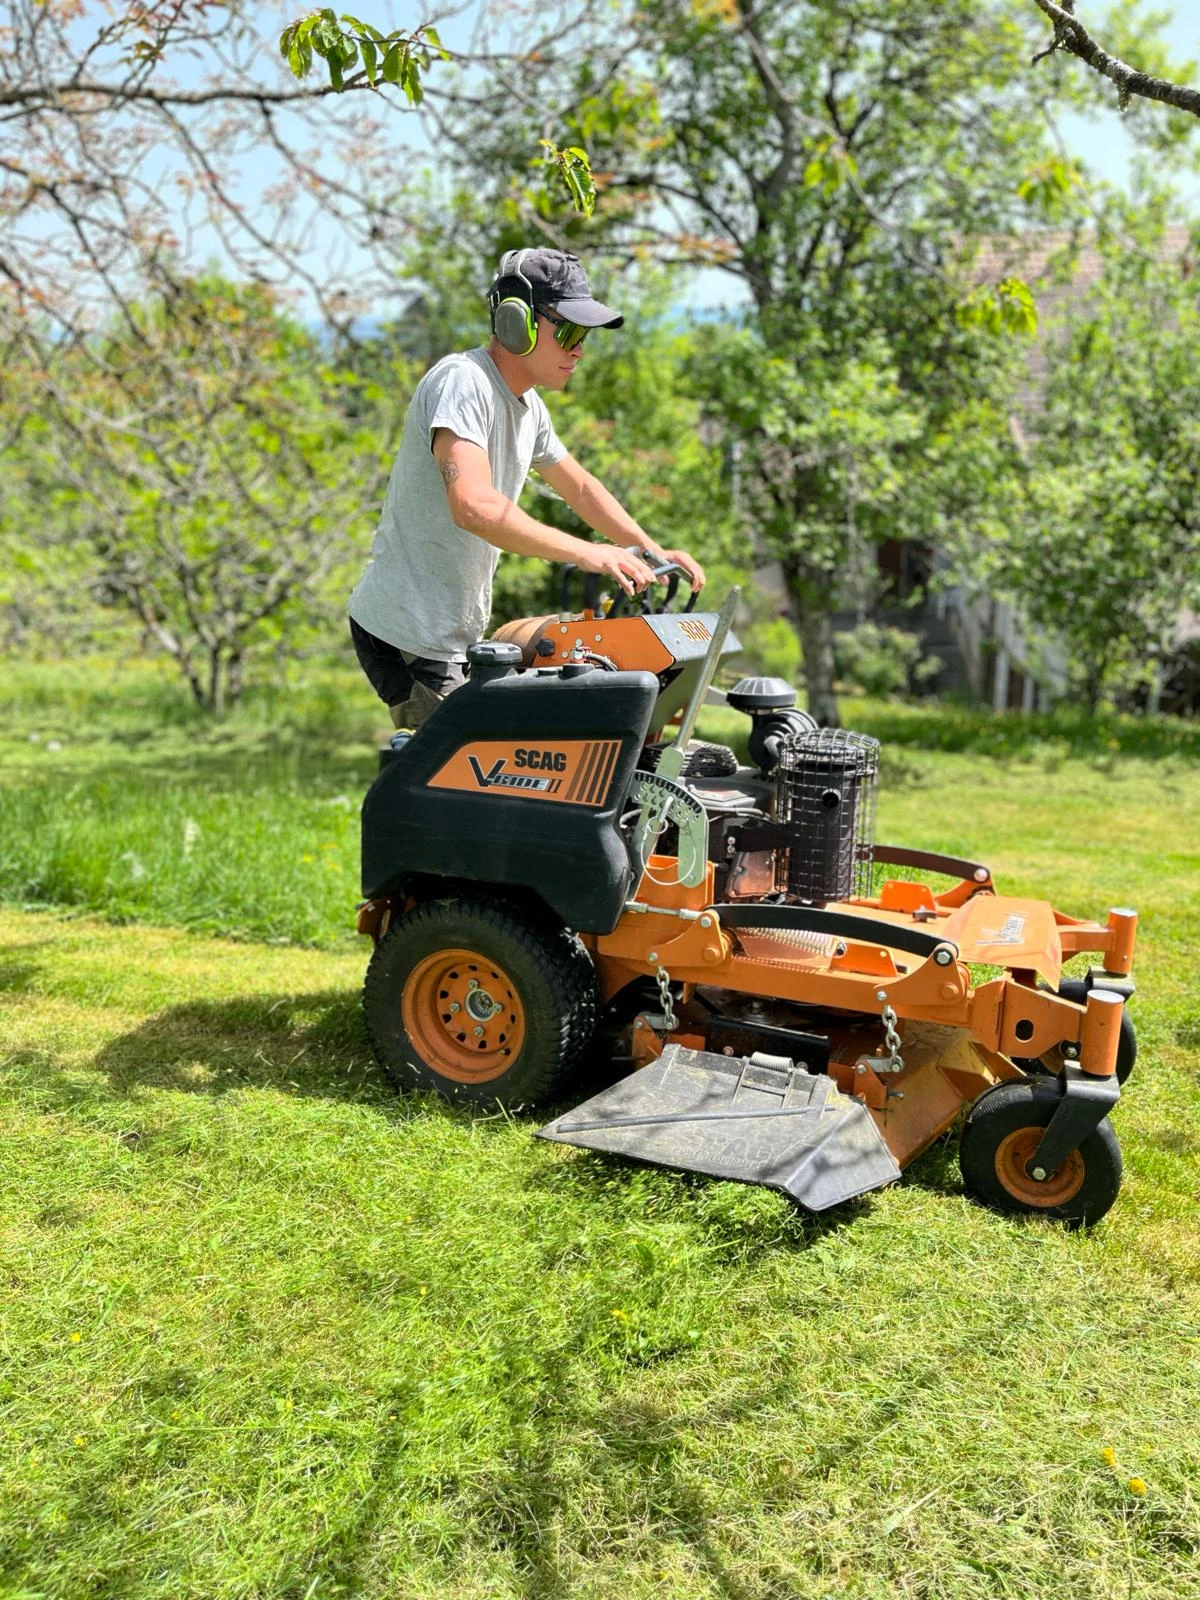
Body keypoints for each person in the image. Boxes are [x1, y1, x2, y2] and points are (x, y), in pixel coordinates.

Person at [347, 246, 706, 728]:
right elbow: (472, 504)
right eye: (571, 332)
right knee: (470, 774)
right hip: (408, 629)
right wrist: (586, 553)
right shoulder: (463, 382)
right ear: (518, 321)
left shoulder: (528, 406)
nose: (580, 349)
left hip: (446, 628)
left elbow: (579, 486)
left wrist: (646, 549)